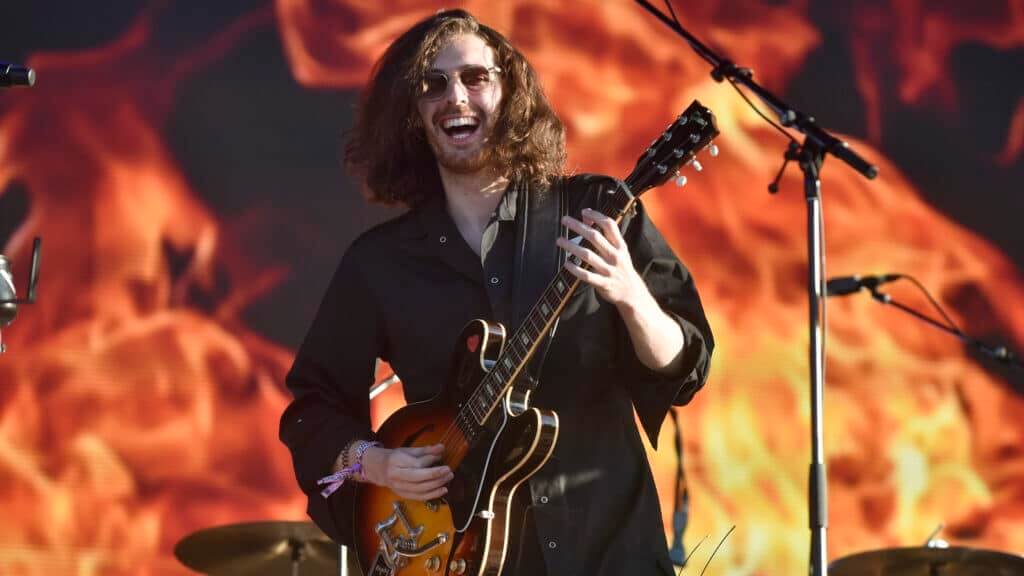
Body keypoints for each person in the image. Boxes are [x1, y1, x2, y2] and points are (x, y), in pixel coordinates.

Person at [279, 9, 713, 575]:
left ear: (509, 91)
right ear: (412, 115)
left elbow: (684, 367)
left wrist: (631, 295)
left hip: (610, 552)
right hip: (460, 560)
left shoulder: (595, 212)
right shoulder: (380, 263)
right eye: (431, 85)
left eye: (474, 78)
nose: (454, 96)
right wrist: (373, 463)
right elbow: (313, 408)